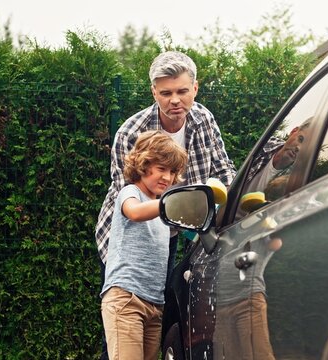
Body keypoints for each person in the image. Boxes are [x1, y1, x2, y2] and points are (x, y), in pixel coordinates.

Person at [95, 50, 236, 359]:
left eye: (182, 91)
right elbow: (129, 201)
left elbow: (223, 170)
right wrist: (174, 204)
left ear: (195, 88)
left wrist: (231, 196)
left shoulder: (203, 119)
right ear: (154, 93)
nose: (175, 100)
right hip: (129, 237)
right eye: (166, 93)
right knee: (121, 328)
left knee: (156, 313)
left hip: (170, 230)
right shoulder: (131, 133)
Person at [100, 130, 187, 360]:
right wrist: (171, 204)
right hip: (126, 298)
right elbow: (135, 212)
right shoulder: (131, 193)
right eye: (161, 169)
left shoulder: (161, 210)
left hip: (154, 305)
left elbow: (192, 231)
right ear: (142, 164)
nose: (167, 178)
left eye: (172, 172)